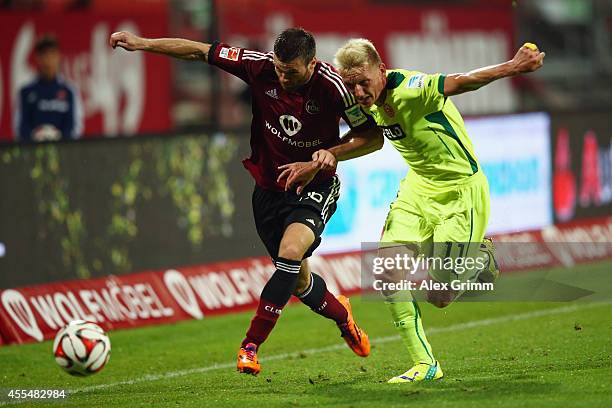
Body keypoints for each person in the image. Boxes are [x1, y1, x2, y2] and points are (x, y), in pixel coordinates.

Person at [109, 28, 383, 376]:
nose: (283, 77)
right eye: (280, 69)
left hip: (315, 186)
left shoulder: (334, 86)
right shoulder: (259, 67)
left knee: (290, 251)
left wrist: (328, 155)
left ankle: (250, 346)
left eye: (292, 72)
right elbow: (198, 51)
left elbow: (373, 137)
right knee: (297, 282)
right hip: (268, 190)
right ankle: (343, 316)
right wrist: (144, 43)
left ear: (312, 63)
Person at [289, 39, 544, 383]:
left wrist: (513, 66)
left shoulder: (411, 89)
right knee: (387, 271)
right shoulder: (359, 101)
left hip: (460, 192)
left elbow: (461, 80)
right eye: (351, 85)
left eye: (364, 81)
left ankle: (482, 259)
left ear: (381, 70)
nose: (359, 91)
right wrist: (326, 156)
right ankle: (425, 364)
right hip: (418, 189)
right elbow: (372, 139)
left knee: (440, 296)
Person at [14, 35, 83, 142]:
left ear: (58, 57)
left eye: (52, 54)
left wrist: (58, 139)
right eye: (44, 55)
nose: (48, 60)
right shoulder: (26, 92)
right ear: (38, 58)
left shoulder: (69, 91)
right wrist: (36, 138)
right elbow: (20, 128)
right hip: (33, 152)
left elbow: (75, 128)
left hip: (64, 152)